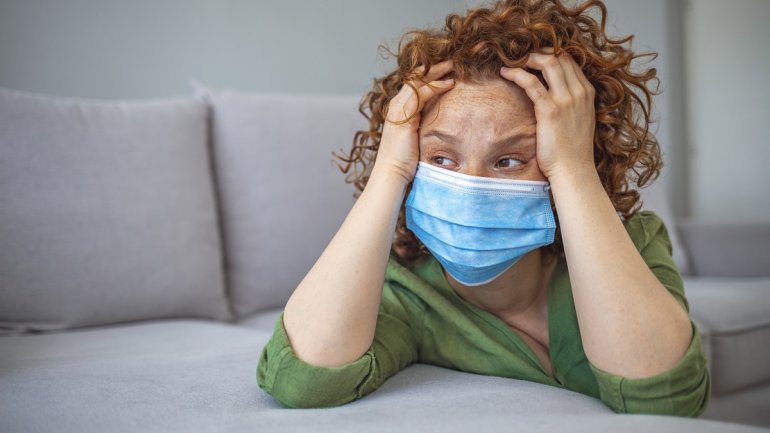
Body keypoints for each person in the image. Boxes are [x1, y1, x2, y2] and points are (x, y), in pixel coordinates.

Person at [256, 0, 711, 416]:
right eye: (442, 159)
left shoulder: (634, 244)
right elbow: (303, 379)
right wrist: (389, 170)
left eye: (509, 160)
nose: (471, 186)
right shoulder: (410, 296)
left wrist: (574, 169)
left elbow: (667, 398)